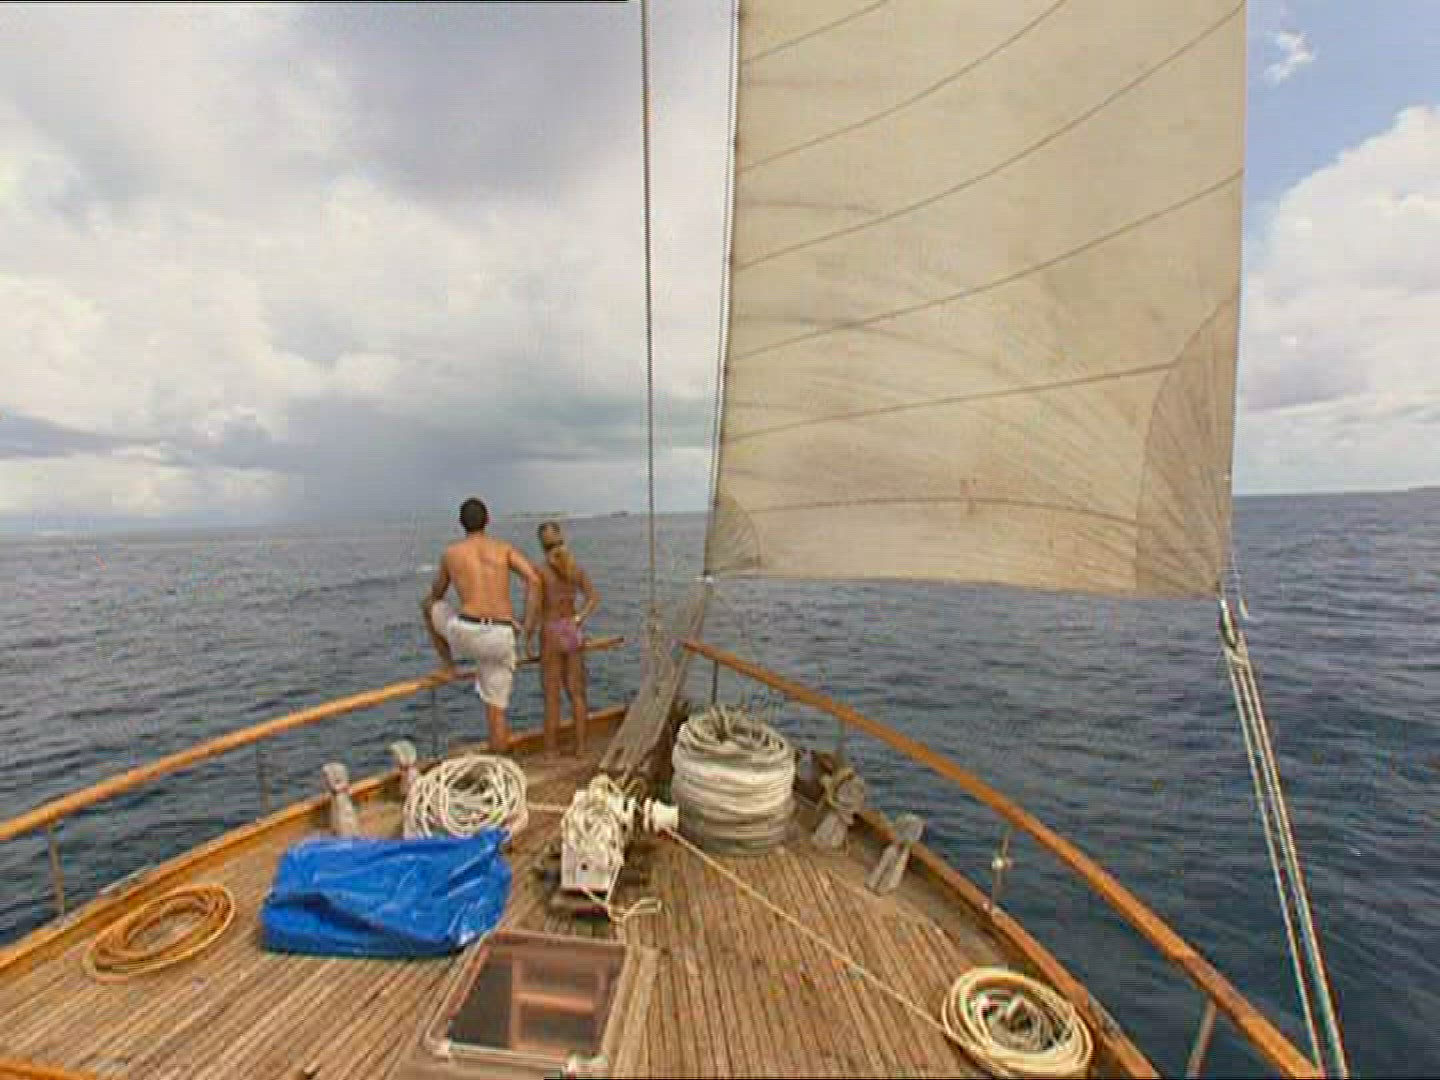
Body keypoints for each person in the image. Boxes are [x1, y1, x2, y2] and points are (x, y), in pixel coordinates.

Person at [422, 497, 540, 753]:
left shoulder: (451, 554)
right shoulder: (503, 549)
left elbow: (437, 594)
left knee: (428, 605)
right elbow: (534, 580)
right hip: (500, 635)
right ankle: (501, 767)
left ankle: (448, 665)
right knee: (497, 711)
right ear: (488, 520)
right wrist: (527, 629)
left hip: (468, 633)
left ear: (461, 523)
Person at [528, 520, 600, 754]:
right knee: (577, 693)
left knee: (552, 696)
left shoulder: (540, 571)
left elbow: (534, 608)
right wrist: (579, 618)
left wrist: (526, 637)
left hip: (551, 631)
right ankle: (581, 748)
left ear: (541, 544)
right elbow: (593, 598)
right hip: (571, 628)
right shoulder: (575, 568)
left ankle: (551, 751)